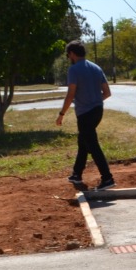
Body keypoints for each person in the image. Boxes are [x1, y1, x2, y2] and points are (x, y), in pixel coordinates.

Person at [55, 40, 115, 191]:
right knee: (84, 142)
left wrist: (62, 114)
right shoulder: (96, 68)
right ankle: (76, 174)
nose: (69, 58)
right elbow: (107, 93)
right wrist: (95, 100)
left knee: (92, 145)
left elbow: (70, 95)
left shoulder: (74, 70)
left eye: (68, 55)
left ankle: (107, 178)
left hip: (84, 114)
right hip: (97, 111)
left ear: (73, 54)